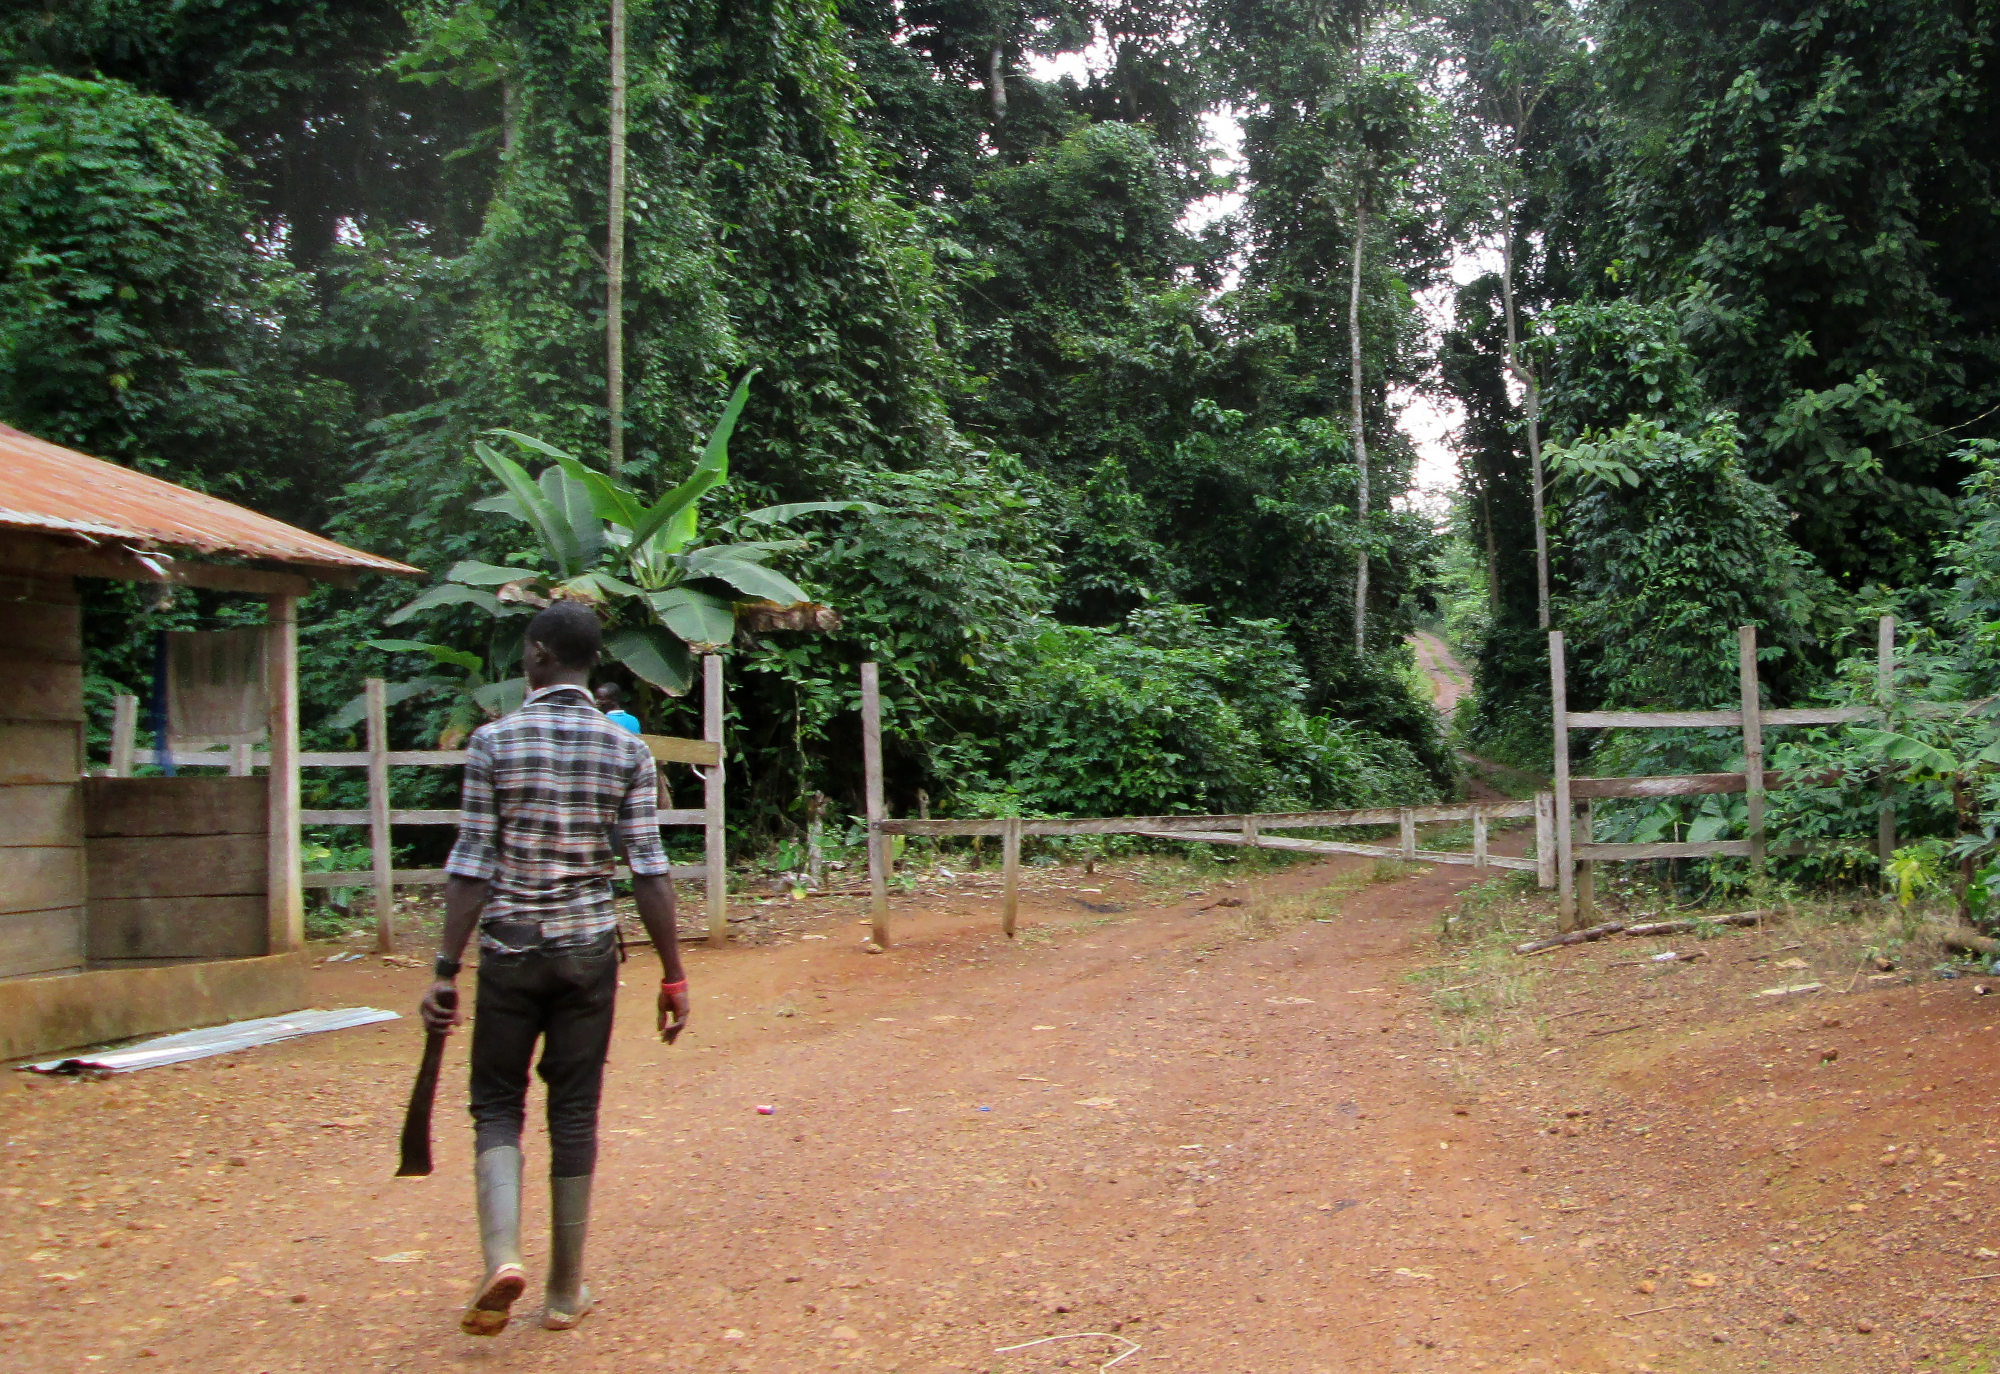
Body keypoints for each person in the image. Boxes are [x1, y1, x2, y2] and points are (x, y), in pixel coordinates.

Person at [419, 600, 690, 1336]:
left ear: (539, 655)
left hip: (510, 948)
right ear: (594, 661)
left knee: (497, 1104)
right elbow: (649, 871)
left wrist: (446, 968)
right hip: (587, 953)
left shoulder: (491, 744)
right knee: (573, 1110)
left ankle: (502, 1255)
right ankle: (566, 1290)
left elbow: (472, 865)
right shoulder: (626, 751)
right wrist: (673, 976)